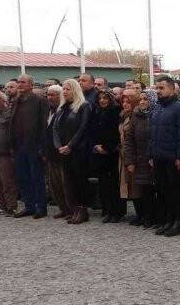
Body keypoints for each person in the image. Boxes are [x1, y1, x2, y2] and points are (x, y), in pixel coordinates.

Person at [149, 76, 180, 237]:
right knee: (162, 190)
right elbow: (152, 133)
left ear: (172, 89)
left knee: (175, 191)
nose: (158, 91)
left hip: (173, 157)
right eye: (157, 88)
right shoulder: (158, 107)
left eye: (162, 88)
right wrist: (151, 154)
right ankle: (168, 220)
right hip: (159, 156)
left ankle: (178, 222)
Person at [9, 75, 49, 218]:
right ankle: (29, 206)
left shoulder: (40, 101)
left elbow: (44, 125)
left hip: (34, 146)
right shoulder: (16, 101)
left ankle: (41, 207)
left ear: (31, 85)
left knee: (36, 177)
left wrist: (42, 147)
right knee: (23, 177)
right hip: (19, 146)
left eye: (23, 82)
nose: (20, 85)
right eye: (18, 82)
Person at [54, 79, 93, 225]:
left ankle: (82, 210)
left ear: (75, 90)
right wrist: (59, 146)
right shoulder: (62, 108)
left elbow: (83, 128)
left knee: (80, 181)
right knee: (69, 181)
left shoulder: (84, 106)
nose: (64, 91)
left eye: (68, 89)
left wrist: (70, 145)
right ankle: (74, 209)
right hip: (64, 151)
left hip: (78, 150)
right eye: (63, 89)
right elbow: (55, 128)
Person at [120, 90, 154, 227]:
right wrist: (130, 160)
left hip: (152, 159)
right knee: (141, 189)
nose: (142, 102)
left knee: (151, 189)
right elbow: (129, 140)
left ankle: (153, 216)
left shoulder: (156, 115)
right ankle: (144, 215)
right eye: (140, 99)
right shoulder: (137, 116)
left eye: (145, 99)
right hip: (138, 158)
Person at [91, 90, 125, 223]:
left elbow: (116, 134)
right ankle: (107, 210)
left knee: (114, 184)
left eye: (105, 98)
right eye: (100, 98)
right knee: (103, 184)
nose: (102, 100)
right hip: (99, 152)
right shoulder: (97, 112)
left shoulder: (115, 112)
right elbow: (92, 131)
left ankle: (117, 212)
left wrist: (106, 148)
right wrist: (96, 146)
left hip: (112, 153)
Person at [43, 85, 72, 219]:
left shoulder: (64, 111)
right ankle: (63, 208)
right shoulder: (48, 111)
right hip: (50, 153)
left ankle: (71, 208)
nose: (49, 98)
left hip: (61, 152)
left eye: (53, 95)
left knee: (65, 183)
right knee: (54, 184)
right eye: (48, 95)